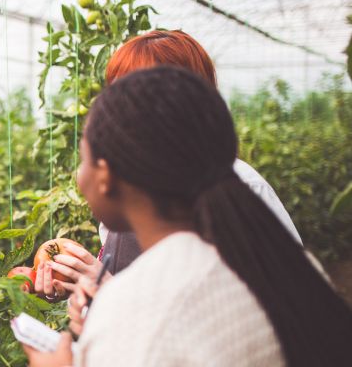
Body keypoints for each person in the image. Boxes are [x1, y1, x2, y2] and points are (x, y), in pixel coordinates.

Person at [23, 66, 352, 366]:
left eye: (84, 158)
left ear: (105, 176)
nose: (79, 175)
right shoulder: (292, 264)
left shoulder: (136, 305)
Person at [34, 30, 303, 301]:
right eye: (116, 91)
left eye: (138, 92)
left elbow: (275, 310)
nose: (119, 107)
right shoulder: (127, 185)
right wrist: (82, 289)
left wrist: (111, 294)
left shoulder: (244, 187)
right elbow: (125, 276)